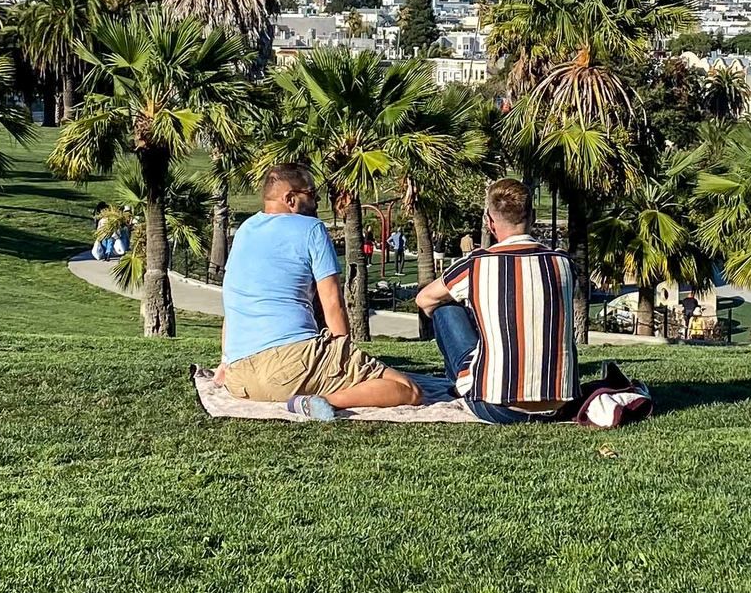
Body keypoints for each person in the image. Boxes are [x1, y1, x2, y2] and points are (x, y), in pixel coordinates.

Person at [212, 163, 421, 419]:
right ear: (290, 198)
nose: (317, 201)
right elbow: (332, 302)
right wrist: (344, 355)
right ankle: (318, 401)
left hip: (240, 379)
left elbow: (233, 305)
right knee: (407, 388)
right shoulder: (311, 230)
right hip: (292, 366)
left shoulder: (245, 230)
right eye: (311, 195)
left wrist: (226, 360)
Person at [414, 178, 579, 424]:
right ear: (532, 217)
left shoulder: (476, 264)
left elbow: (424, 299)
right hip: (561, 402)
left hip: (497, 405)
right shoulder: (563, 263)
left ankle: (462, 383)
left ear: (490, 222)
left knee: (444, 308)